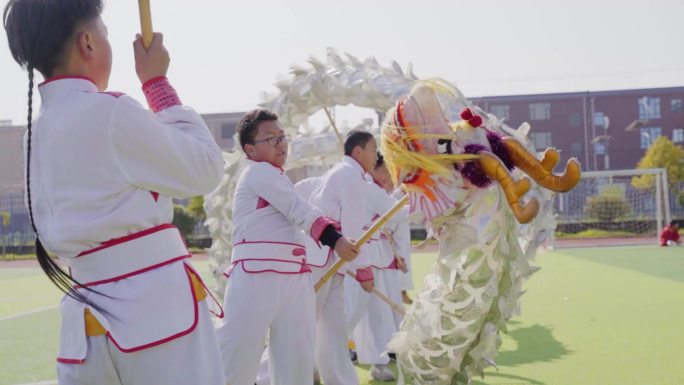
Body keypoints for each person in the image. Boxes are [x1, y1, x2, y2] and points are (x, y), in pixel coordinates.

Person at [3, 1, 226, 384]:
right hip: (155, 314)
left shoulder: (34, 134)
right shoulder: (109, 111)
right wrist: (156, 83)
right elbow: (205, 169)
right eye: (104, 34)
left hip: (85, 324)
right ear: (88, 43)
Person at [215, 109, 358, 385]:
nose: (281, 143)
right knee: (238, 357)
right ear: (250, 149)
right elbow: (299, 210)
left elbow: (301, 208)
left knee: (297, 362)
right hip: (257, 275)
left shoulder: (279, 178)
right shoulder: (256, 172)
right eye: (271, 139)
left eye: (282, 136)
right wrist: (335, 239)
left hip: (294, 277)